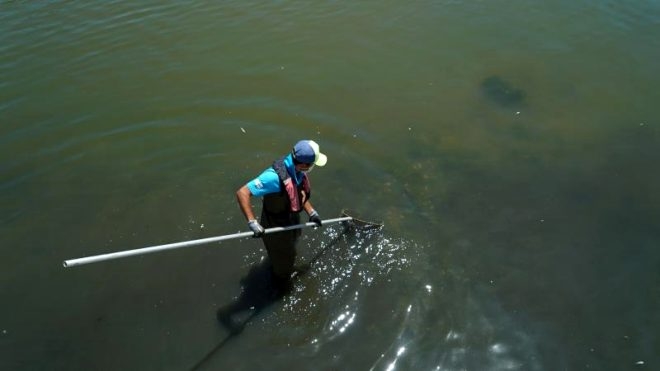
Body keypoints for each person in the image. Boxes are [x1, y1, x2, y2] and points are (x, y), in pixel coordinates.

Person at [236, 139, 327, 287]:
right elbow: (242, 192)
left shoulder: (297, 169)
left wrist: (312, 212)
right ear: (304, 164)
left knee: (293, 243)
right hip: (275, 226)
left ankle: (283, 260)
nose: (313, 167)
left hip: (290, 218)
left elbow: (298, 193)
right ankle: (281, 283)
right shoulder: (273, 178)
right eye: (312, 164)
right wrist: (252, 222)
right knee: (285, 262)